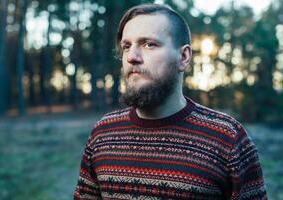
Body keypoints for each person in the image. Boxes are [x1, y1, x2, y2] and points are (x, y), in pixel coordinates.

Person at [74, 3, 267, 200]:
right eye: (126, 46)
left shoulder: (227, 138)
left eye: (149, 44)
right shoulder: (103, 133)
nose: (131, 57)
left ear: (183, 57)